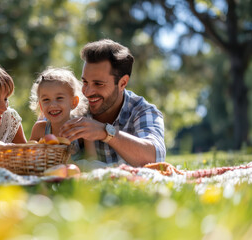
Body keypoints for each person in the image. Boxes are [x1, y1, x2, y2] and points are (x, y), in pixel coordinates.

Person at [59, 39, 166, 167]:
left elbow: (155, 158)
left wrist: (106, 132)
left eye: (98, 84)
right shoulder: (74, 108)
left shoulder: (142, 111)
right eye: (85, 82)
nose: (87, 92)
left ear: (122, 83)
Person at [29, 67, 96, 159]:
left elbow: (92, 160)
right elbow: (27, 156)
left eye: (59, 98)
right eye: (46, 100)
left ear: (73, 102)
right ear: (41, 106)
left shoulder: (81, 128)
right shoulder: (40, 129)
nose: (52, 105)